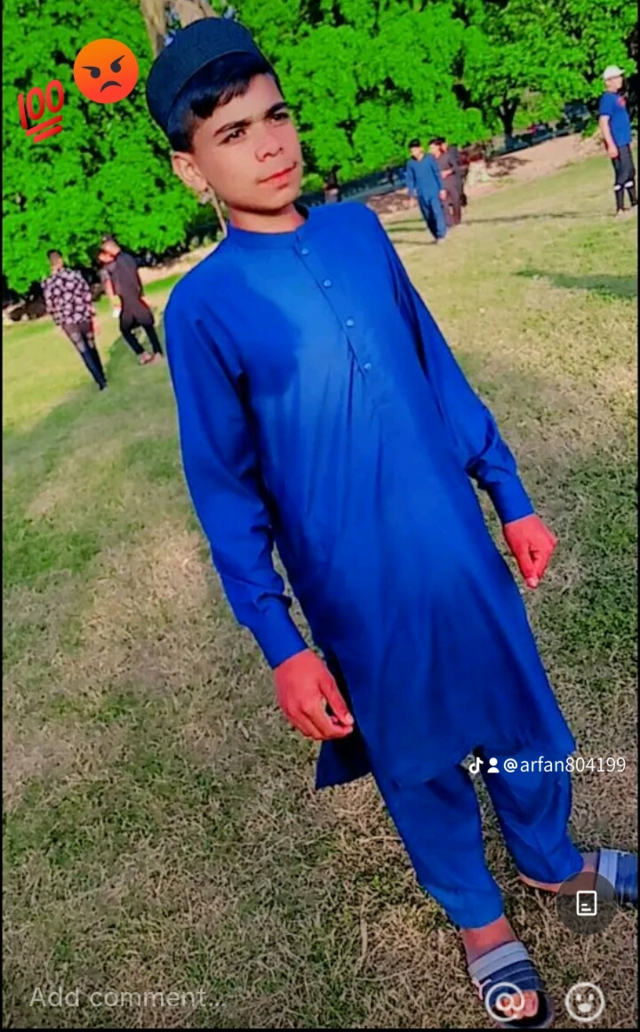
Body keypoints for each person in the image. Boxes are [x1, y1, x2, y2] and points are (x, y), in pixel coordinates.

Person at [146, 20, 638, 1029]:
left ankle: (551, 861)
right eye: (233, 133)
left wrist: (509, 493)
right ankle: (479, 922)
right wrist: (283, 644)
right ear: (191, 169)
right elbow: (225, 493)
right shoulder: (201, 308)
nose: (269, 144)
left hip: (455, 546)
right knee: (417, 754)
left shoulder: (358, 235)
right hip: (353, 585)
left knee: (520, 712)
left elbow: (434, 367)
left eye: (276, 115)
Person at [41, 250, 107, 391]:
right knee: (91, 346)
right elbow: (87, 296)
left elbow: (51, 306)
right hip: (83, 316)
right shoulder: (74, 275)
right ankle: (102, 373)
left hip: (68, 322)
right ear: (61, 259)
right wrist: (93, 315)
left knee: (83, 350)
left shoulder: (48, 283)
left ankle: (100, 381)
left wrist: (58, 324)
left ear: (50, 263)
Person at [99, 236, 164, 364]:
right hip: (134, 296)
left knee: (129, 328)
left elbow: (117, 282)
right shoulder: (127, 258)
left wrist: (117, 299)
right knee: (145, 325)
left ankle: (146, 353)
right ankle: (154, 352)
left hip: (128, 299)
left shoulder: (118, 263)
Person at [598, 65, 637, 216]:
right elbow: (603, 122)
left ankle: (634, 201)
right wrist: (611, 145)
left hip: (624, 140)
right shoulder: (607, 98)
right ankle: (619, 208)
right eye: (616, 77)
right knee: (623, 172)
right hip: (617, 141)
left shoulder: (617, 97)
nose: (620, 79)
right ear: (608, 81)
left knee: (630, 171)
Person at [405, 138, 447, 242]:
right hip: (421, 193)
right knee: (428, 216)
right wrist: (411, 196)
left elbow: (437, 173)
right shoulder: (410, 163)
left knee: (437, 212)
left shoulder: (429, 159)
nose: (413, 153)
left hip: (433, 190)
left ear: (420, 149)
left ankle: (441, 234)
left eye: (415, 150)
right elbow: (410, 180)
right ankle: (436, 235)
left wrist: (442, 188)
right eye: (411, 151)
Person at [436, 136, 464, 226]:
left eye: (443, 144)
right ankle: (449, 221)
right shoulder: (436, 157)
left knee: (456, 199)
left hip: (454, 178)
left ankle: (457, 219)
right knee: (445, 202)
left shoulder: (452, 151)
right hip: (443, 182)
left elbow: (457, 164)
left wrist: (448, 171)